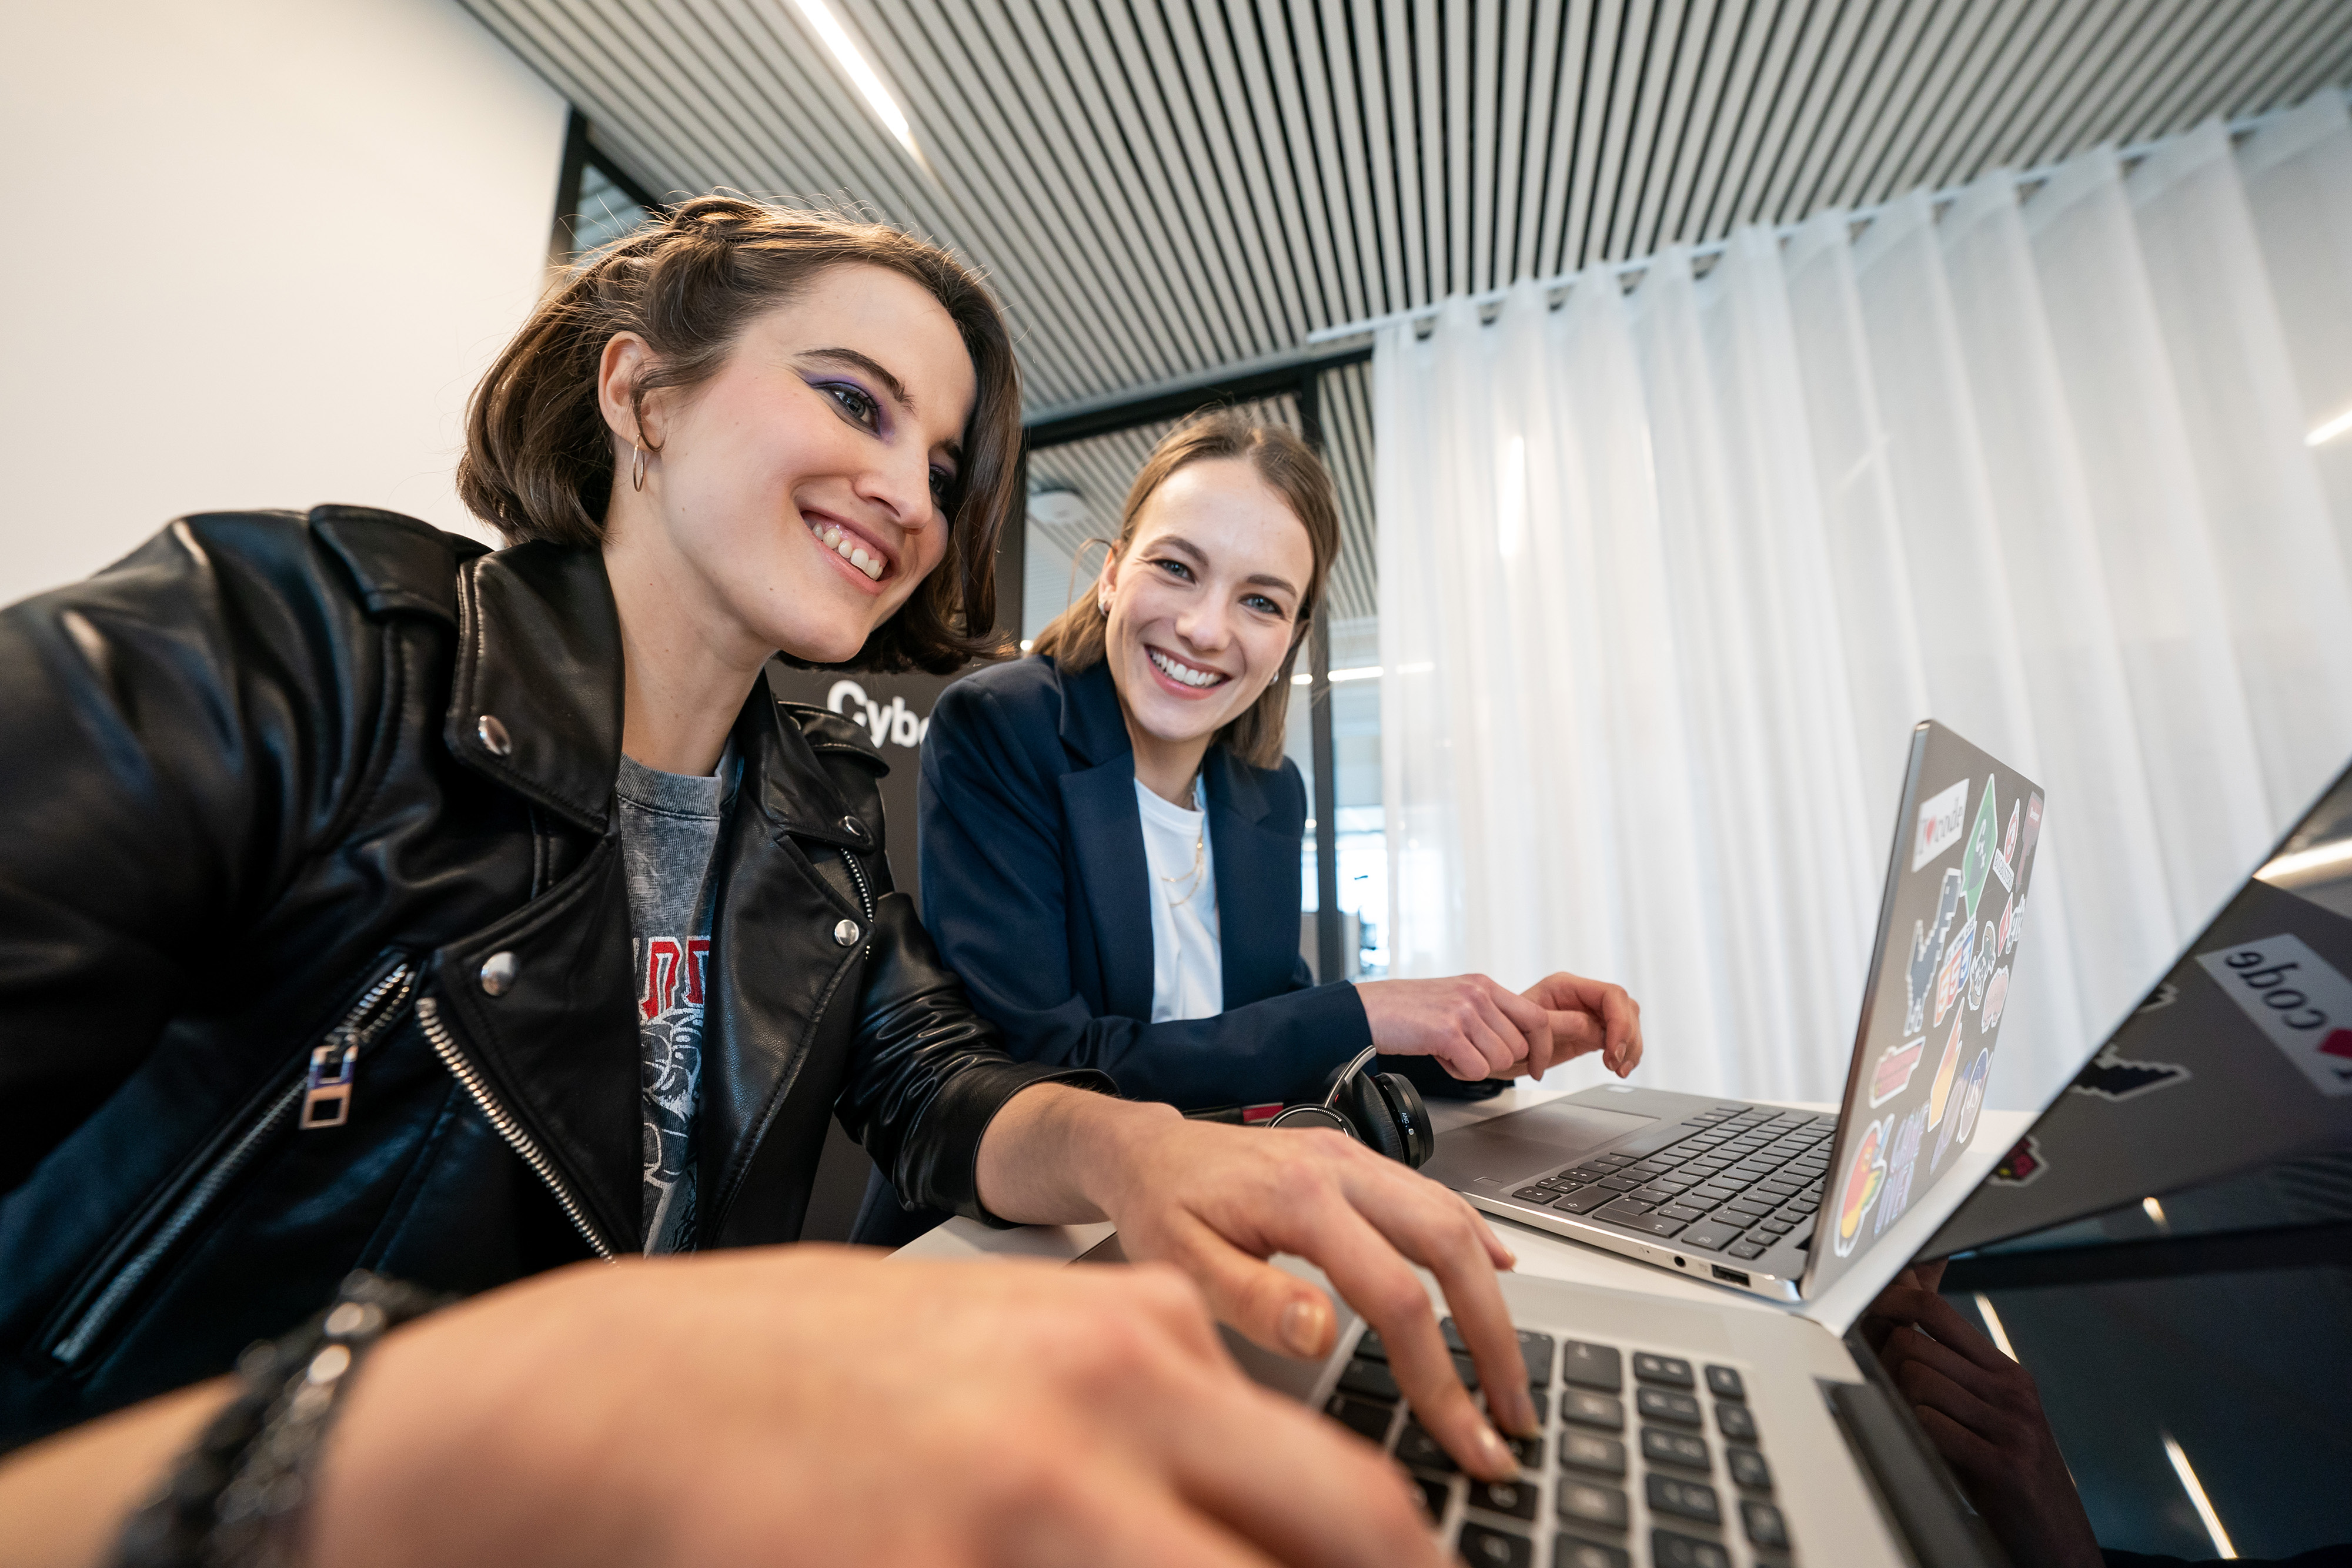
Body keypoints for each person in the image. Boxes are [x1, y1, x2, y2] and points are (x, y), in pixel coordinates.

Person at [0, 197, 1538, 1563]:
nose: (910, 494)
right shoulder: (292, 643)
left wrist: (1135, 1152)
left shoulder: (811, 819)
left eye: (938, 463)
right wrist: (466, 1426)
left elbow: (940, 1084)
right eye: (854, 402)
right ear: (638, 392)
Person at [874, 413, 1643, 1240]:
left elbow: (1270, 1024)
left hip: (1208, 1214)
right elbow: (1048, 1063)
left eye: (1261, 601)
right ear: (1110, 574)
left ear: (1291, 641)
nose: (1207, 629)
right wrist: (1364, 1008)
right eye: (1176, 568)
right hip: (1001, 1241)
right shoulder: (1004, 727)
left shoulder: (1271, 792)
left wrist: (1483, 1034)